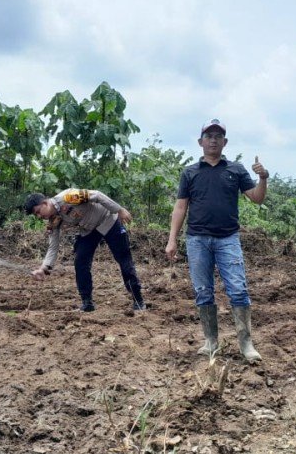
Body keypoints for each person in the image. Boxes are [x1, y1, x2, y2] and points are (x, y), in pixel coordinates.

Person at [165, 119, 267, 363]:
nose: (213, 140)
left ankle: (246, 343)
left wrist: (263, 178)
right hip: (197, 239)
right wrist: (172, 240)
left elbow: (257, 198)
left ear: (225, 142)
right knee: (203, 291)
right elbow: (180, 207)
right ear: (201, 142)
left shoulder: (236, 169)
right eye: (208, 136)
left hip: (228, 239)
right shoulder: (190, 172)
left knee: (238, 289)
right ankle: (211, 341)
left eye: (218, 136)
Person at [25, 189, 145, 312]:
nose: (39, 216)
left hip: (108, 221)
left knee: (123, 258)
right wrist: (44, 268)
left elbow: (97, 195)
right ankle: (87, 303)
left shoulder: (68, 197)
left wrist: (119, 210)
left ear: (45, 203)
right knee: (80, 262)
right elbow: (53, 246)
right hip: (89, 230)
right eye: (36, 215)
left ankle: (138, 300)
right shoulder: (53, 221)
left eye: (38, 212)